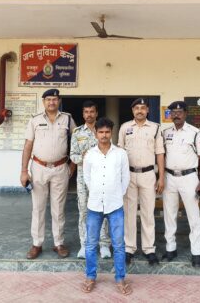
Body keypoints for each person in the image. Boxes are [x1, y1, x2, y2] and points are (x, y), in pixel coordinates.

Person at [20, 89, 76, 260]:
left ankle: (59, 243)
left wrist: (72, 165)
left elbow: (77, 142)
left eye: (55, 99)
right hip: (39, 168)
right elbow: (28, 146)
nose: (52, 102)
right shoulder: (35, 120)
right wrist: (24, 171)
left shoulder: (67, 119)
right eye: (48, 99)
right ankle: (37, 244)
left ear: (59, 101)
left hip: (60, 168)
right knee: (38, 207)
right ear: (43, 101)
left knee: (58, 208)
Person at [81, 117, 131, 296]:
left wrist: (117, 194)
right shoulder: (89, 154)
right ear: (96, 133)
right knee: (90, 244)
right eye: (101, 132)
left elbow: (125, 178)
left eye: (107, 132)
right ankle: (90, 276)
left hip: (115, 204)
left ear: (112, 133)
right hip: (94, 204)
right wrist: (96, 191)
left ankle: (120, 278)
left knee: (118, 245)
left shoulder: (121, 154)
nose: (104, 135)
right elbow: (87, 177)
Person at [118, 98, 165, 266]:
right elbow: (120, 153)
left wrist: (161, 177)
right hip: (129, 175)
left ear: (148, 110)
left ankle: (149, 249)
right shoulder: (125, 127)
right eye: (137, 108)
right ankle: (129, 248)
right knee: (129, 213)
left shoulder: (155, 128)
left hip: (148, 174)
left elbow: (160, 153)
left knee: (148, 213)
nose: (140, 110)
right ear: (132, 111)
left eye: (143, 108)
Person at [161, 101, 200, 268]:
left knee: (193, 217)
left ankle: (196, 252)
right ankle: (170, 249)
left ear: (186, 113)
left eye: (179, 112)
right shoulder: (165, 133)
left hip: (189, 178)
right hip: (169, 177)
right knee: (169, 215)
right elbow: (161, 156)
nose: (176, 115)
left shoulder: (195, 133)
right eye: (173, 112)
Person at [70, 100, 111, 260]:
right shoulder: (77, 132)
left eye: (92, 111)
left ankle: (104, 244)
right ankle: (85, 244)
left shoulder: (103, 130)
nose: (89, 115)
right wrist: (84, 157)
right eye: (86, 112)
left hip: (102, 178)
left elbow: (110, 152)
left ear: (96, 113)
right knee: (84, 211)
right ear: (83, 114)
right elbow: (73, 155)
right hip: (83, 180)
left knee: (103, 210)